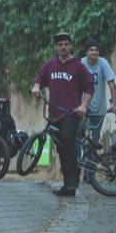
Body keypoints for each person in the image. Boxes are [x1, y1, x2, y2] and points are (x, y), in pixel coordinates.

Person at [30, 31, 94, 197]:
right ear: (56, 47)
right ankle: (68, 185)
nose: (63, 47)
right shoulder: (50, 65)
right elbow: (39, 78)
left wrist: (84, 105)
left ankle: (74, 177)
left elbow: (89, 87)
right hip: (54, 115)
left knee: (67, 138)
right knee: (60, 148)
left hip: (72, 112)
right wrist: (37, 87)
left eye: (66, 44)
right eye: (60, 45)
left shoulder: (78, 66)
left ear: (71, 45)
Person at [78, 37, 116, 147]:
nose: (94, 52)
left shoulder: (103, 63)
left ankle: (91, 164)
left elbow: (112, 84)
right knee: (77, 134)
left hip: (98, 107)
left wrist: (115, 104)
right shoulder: (81, 63)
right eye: (91, 50)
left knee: (94, 139)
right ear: (86, 52)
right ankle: (77, 161)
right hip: (82, 106)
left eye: (96, 50)